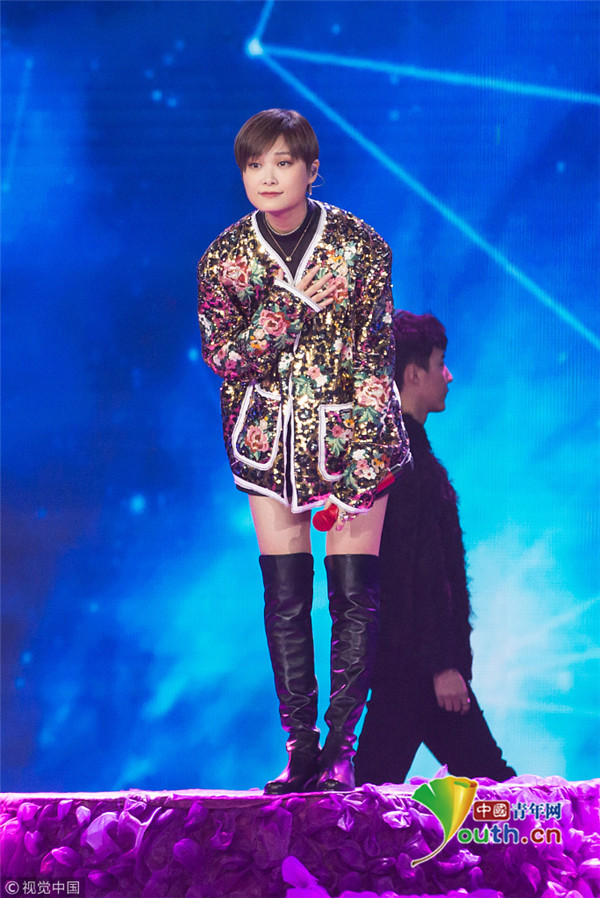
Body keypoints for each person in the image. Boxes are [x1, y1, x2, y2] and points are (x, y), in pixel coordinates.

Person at [197, 109, 411, 793]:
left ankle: (342, 752)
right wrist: (283, 311)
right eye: (254, 164)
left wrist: (362, 467)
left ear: (312, 170)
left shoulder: (360, 247)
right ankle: (300, 748)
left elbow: (375, 359)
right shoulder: (224, 259)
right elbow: (223, 359)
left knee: (353, 596)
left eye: (283, 162)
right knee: (285, 598)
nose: (267, 176)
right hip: (268, 444)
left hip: (351, 439)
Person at [354, 311, 516, 786]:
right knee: (492, 787)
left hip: (406, 667)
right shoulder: (409, 467)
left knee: (372, 792)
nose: (449, 376)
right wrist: (443, 665)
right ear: (412, 374)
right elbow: (418, 572)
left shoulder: (397, 458)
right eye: (440, 363)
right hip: (418, 671)